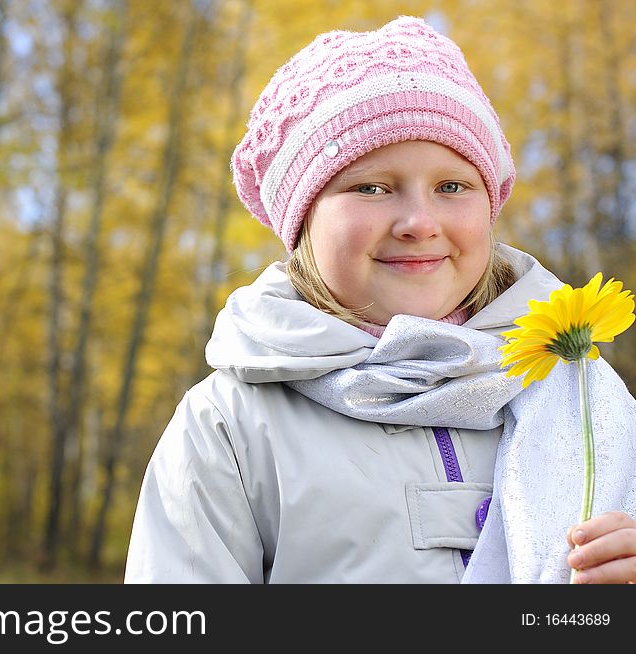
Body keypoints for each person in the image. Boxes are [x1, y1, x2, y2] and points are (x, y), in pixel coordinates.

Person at [124, 16, 636, 583]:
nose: (419, 222)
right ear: (303, 222)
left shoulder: (580, 398)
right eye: (371, 188)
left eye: (452, 186)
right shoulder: (231, 424)